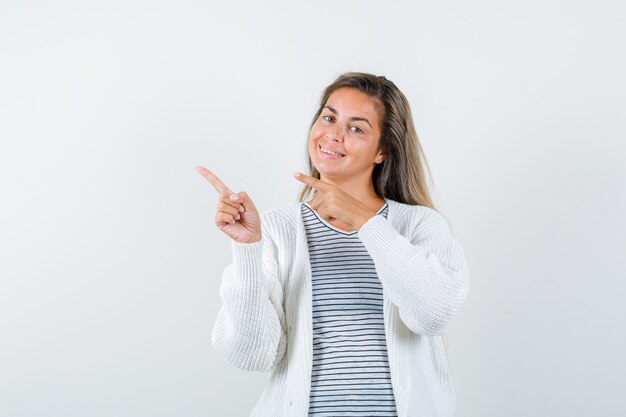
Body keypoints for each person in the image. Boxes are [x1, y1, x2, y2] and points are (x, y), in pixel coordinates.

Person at [196, 72, 470, 417]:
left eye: (356, 128)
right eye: (329, 117)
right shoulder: (278, 229)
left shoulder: (418, 225)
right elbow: (252, 354)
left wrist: (367, 223)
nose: (333, 135)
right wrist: (249, 248)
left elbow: (434, 314)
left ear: (382, 150)